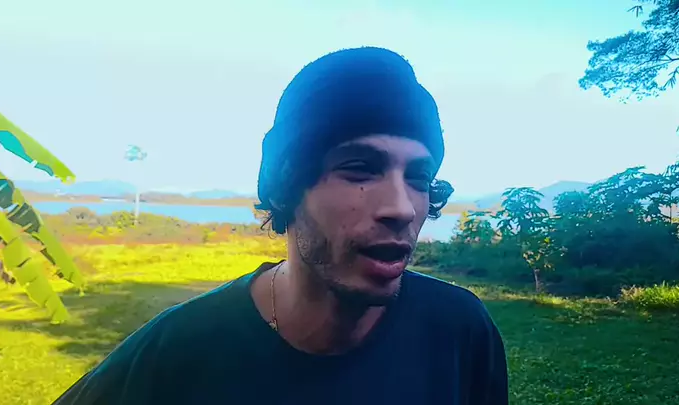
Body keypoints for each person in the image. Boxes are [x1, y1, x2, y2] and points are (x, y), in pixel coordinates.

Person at [52, 46, 509, 405]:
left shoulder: (459, 330)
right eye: (359, 168)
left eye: (418, 178)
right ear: (286, 185)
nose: (402, 208)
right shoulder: (179, 352)